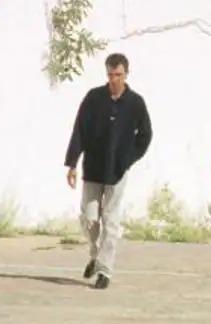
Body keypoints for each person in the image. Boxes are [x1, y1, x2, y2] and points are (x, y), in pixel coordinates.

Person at [64, 52, 152, 289]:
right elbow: (79, 130)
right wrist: (72, 163)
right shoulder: (94, 98)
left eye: (118, 75)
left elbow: (145, 136)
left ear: (126, 74)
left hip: (117, 172)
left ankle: (105, 270)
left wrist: (127, 159)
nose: (114, 79)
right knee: (90, 219)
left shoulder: (135, 103)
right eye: (111, 75)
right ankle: (95, 255)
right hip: (93, 169)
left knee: (111, 221)